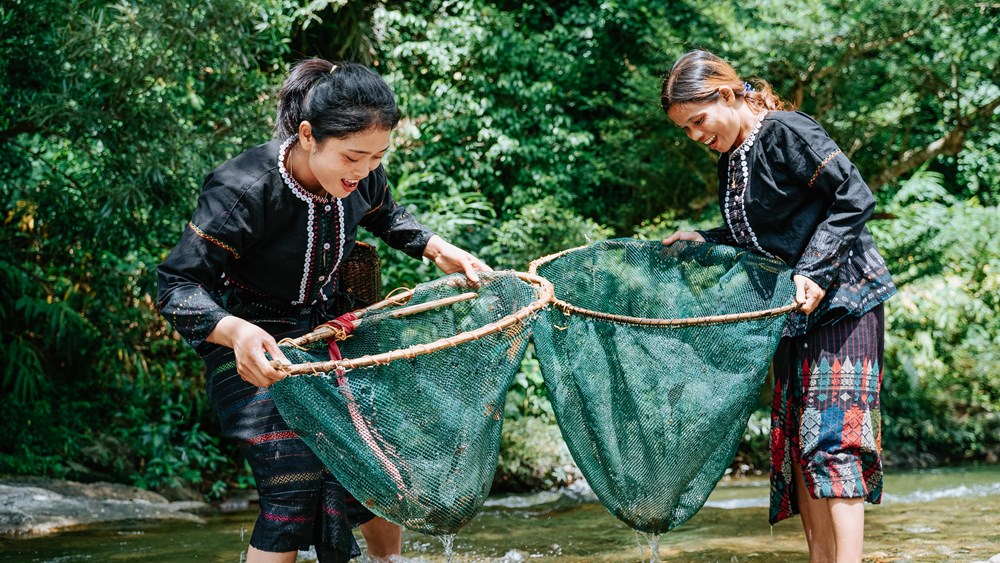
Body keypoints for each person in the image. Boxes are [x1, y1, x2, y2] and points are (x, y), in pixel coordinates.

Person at [157, 59, 490, 563]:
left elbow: (386, 214)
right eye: (354, 157)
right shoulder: (242, 189)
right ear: (308, 136)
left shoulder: (362, 178)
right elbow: (176, 284)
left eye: (377, 158)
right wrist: (235, 333)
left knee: (378, 460)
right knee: (293, 481)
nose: (364, 172)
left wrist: (438, 249)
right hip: (248, 342)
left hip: (331, 330)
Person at [660, 50, 896, 562]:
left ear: (726, 95)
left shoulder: (787, 131)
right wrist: (704, 238)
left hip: (845, 301)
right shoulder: (732, 159)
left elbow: (855, 195)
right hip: (790, 314)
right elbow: (761, 236)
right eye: (686, 130)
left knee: (834, 440)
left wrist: (813, 271)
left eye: (699, 121)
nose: (696, 136)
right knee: (797, 446)